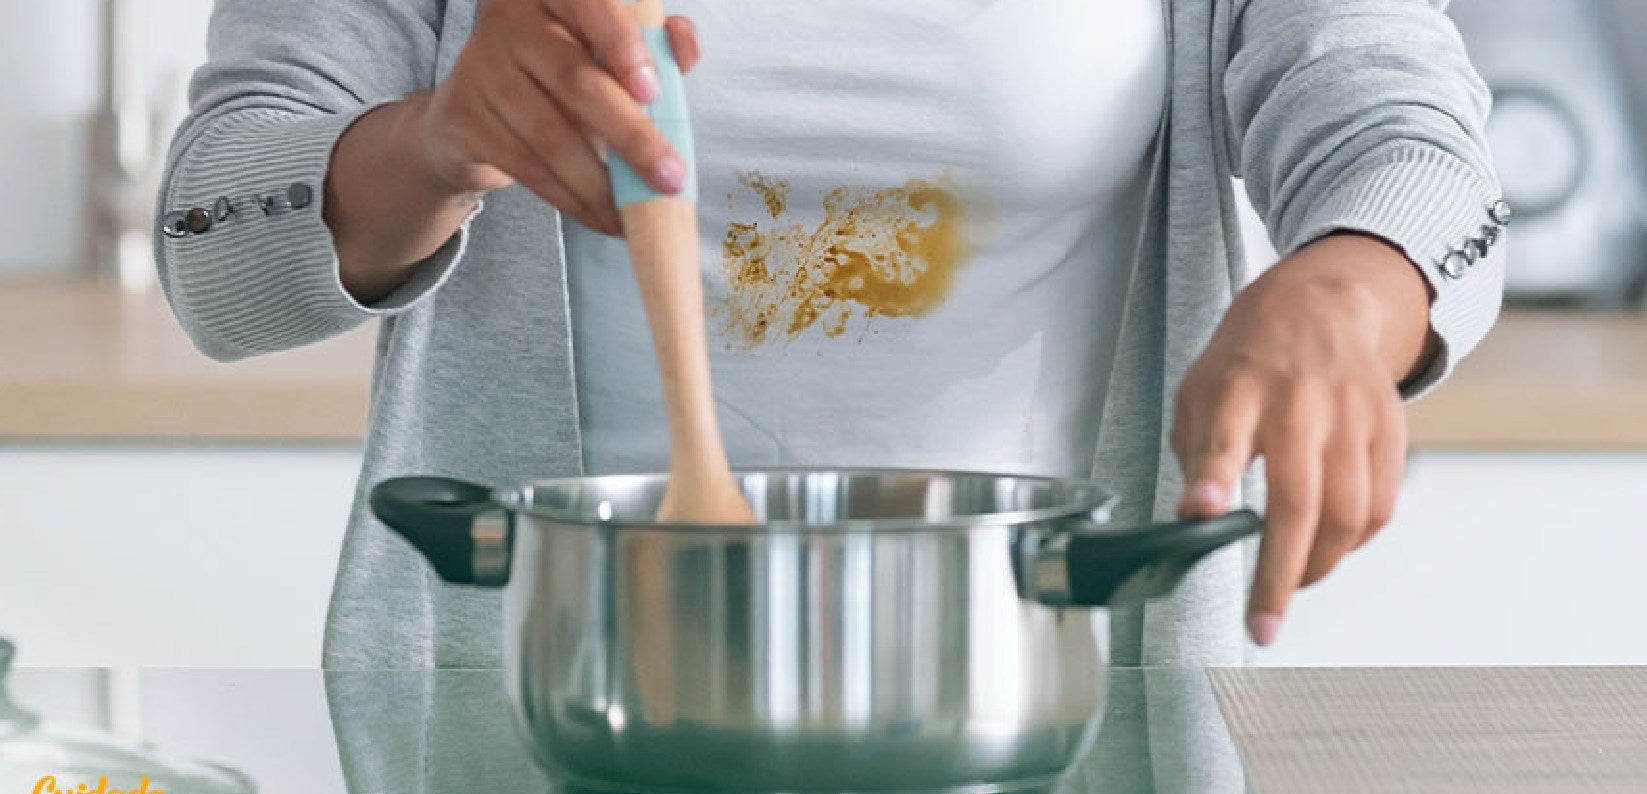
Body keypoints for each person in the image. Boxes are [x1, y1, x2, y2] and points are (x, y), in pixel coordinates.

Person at [155, 0, 1505, 670]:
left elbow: (1411, 138)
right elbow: (212, 238)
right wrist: (440, 138)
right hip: (524, 723)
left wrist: (1350, 285)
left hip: (1067, 720)